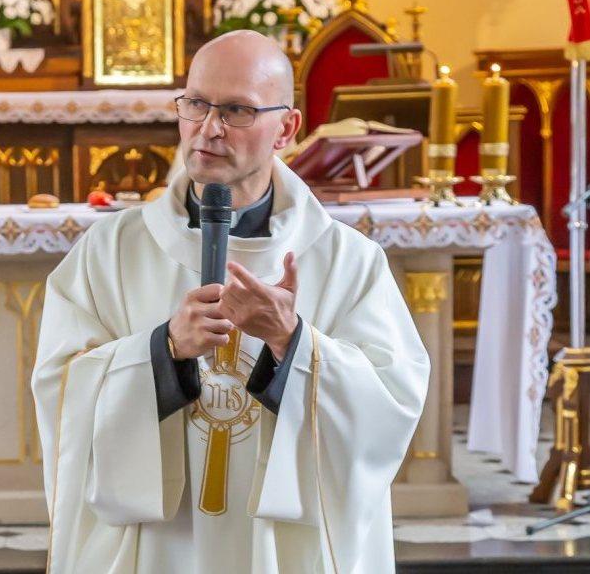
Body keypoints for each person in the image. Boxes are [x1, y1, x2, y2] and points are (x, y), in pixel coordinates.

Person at [32, 30, 430, 574]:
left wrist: (294, 343)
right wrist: (163, 351)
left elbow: (391, 402)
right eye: (196, 104)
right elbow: (60, 389)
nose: (209, 128)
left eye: (237, 110)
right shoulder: (110, 251)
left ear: (286, 128)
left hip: (281, 551)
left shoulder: (347, 261)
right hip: (157, 547)